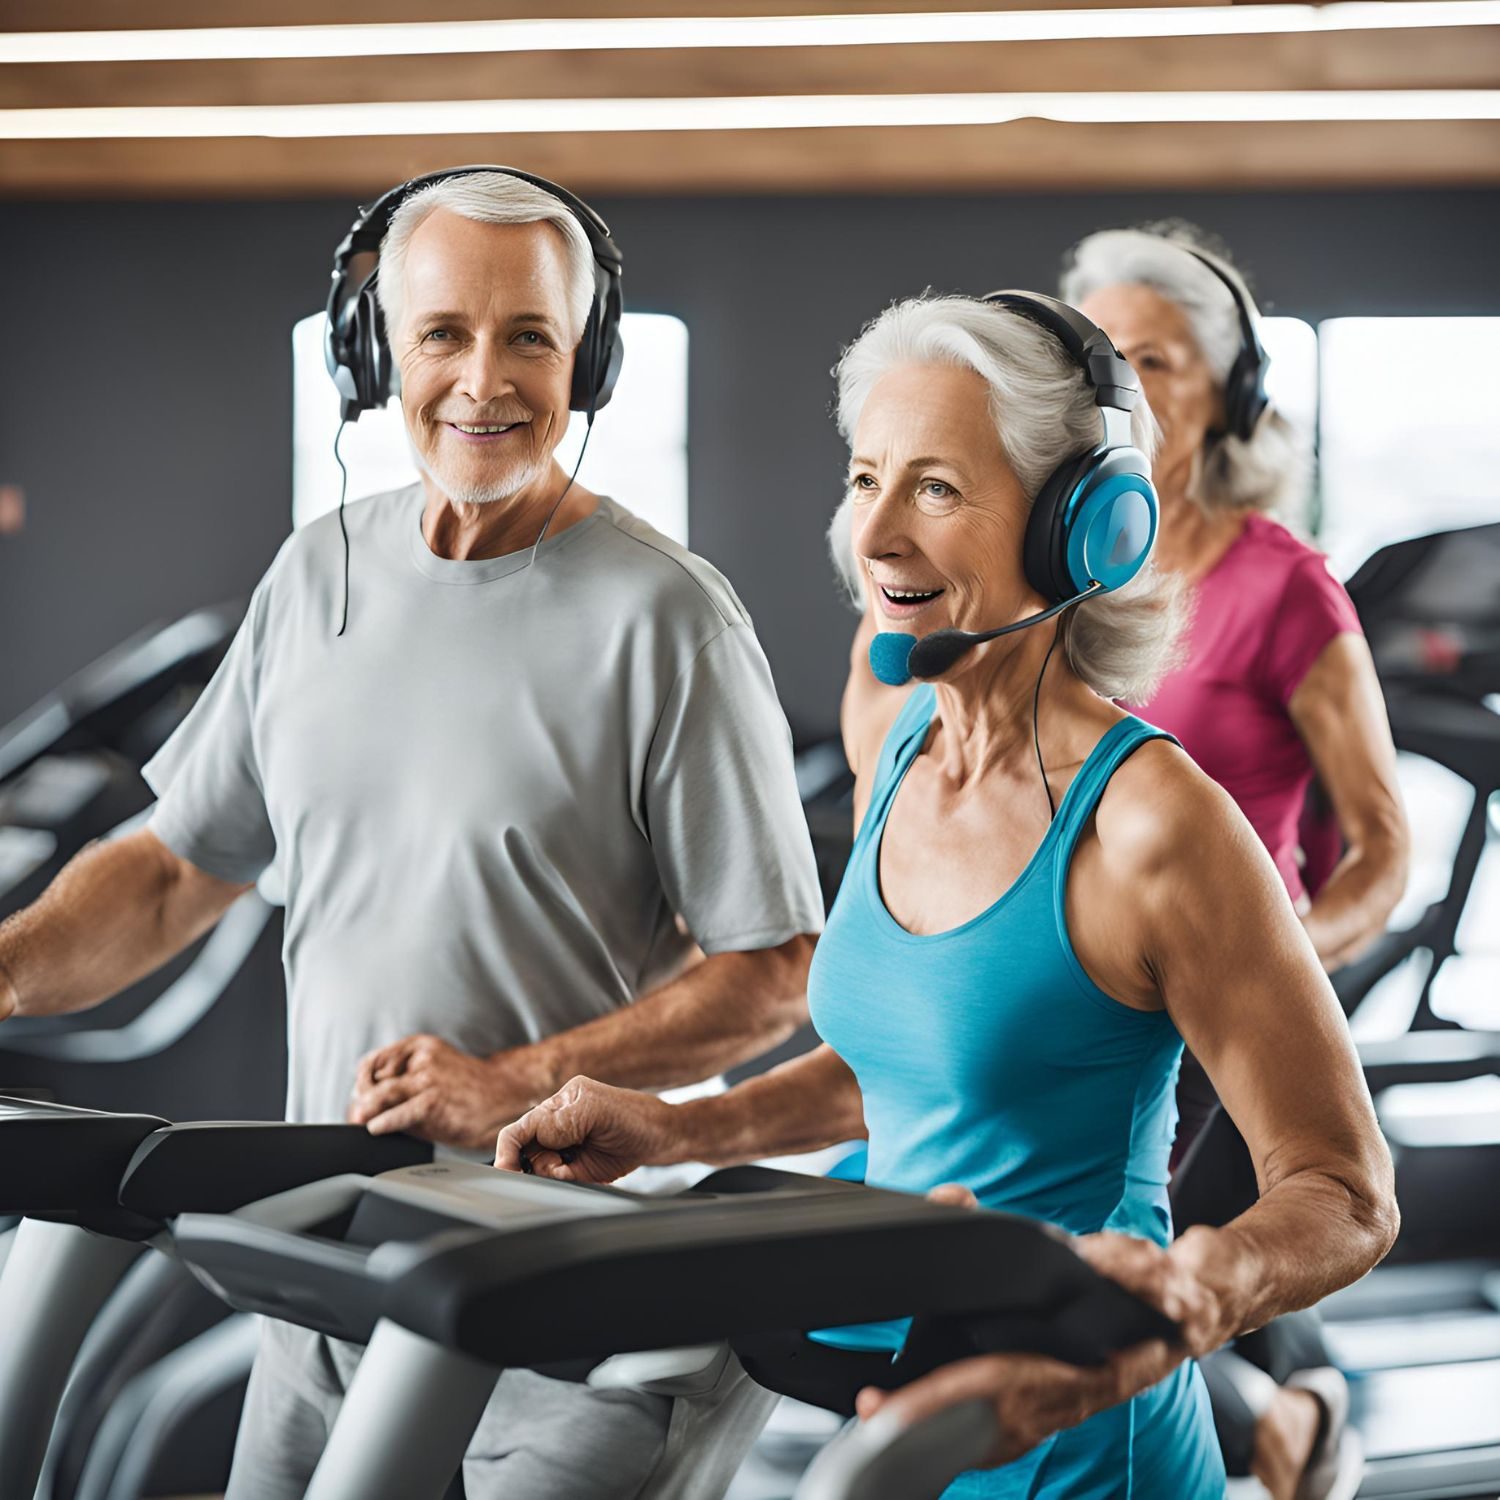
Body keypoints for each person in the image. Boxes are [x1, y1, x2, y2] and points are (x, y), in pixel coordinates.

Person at [0, 168, 825, 1499]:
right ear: (378, 346)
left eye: (530, 338)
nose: (482, 380)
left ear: (588, 356)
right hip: (331, 1264)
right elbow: (171, 873)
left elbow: (771, 975)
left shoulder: (671, 619)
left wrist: (517, 1081)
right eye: (443, 332)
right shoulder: (313, 573)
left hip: (571, 1298)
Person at [497, 293, 1399, 1497]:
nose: (874, 533)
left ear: (1084, 527)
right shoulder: (901, 738)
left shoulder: (1153, 823)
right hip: (902, 1422)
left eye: (935, 487)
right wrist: (677, 1126)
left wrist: (1189, 1290)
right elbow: (910, 1062)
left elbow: (1345, 1189)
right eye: (865, 477)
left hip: (1082, 1436)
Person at [1062, 224, 1410, 1500]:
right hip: (1076, 990)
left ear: (1230, 396)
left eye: (1157, 361)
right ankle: (1293, 1407)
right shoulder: (1074, 574)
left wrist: (1271, 969)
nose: (1128, 394)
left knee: (1104, 1256)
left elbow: (1380, 847)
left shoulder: (1286, 589)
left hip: (1210, 1016)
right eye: (1107, 362)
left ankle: (1268, 1419)